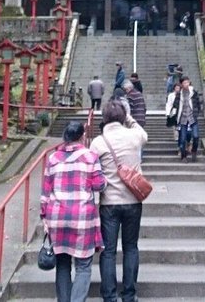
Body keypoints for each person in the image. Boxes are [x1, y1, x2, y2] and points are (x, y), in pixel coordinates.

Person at [41, 121, 106, 302]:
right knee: (83, 266)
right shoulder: (90, 157)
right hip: (82, 217)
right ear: (82, 136)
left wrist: (44, 216)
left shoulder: (53, 158)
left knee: (62, 264)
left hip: (57, 216)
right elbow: (99, 185)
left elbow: (46, 191)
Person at [90, 100, 147, 302]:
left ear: (104, 118)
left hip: (109, 203)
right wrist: (128, 116)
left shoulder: (98, 142)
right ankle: (129, 294)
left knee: (109, 251)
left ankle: (109, 295)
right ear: (123, 117)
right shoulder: (134, 136)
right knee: (131, 247)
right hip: (133, 200)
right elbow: (143, 133)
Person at [165, 76, 202, 162]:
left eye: (187, 82)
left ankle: (194, 151)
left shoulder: (194, 92)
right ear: (182, 84)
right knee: (182, 139)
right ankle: (183, 156)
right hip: (182, 119)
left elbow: (198, 105)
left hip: (192, 118)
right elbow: (175, 106)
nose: (186, 84)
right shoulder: (179, 94)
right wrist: (172, 115)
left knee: (196, 136)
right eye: (184, 83)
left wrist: (196, 114)